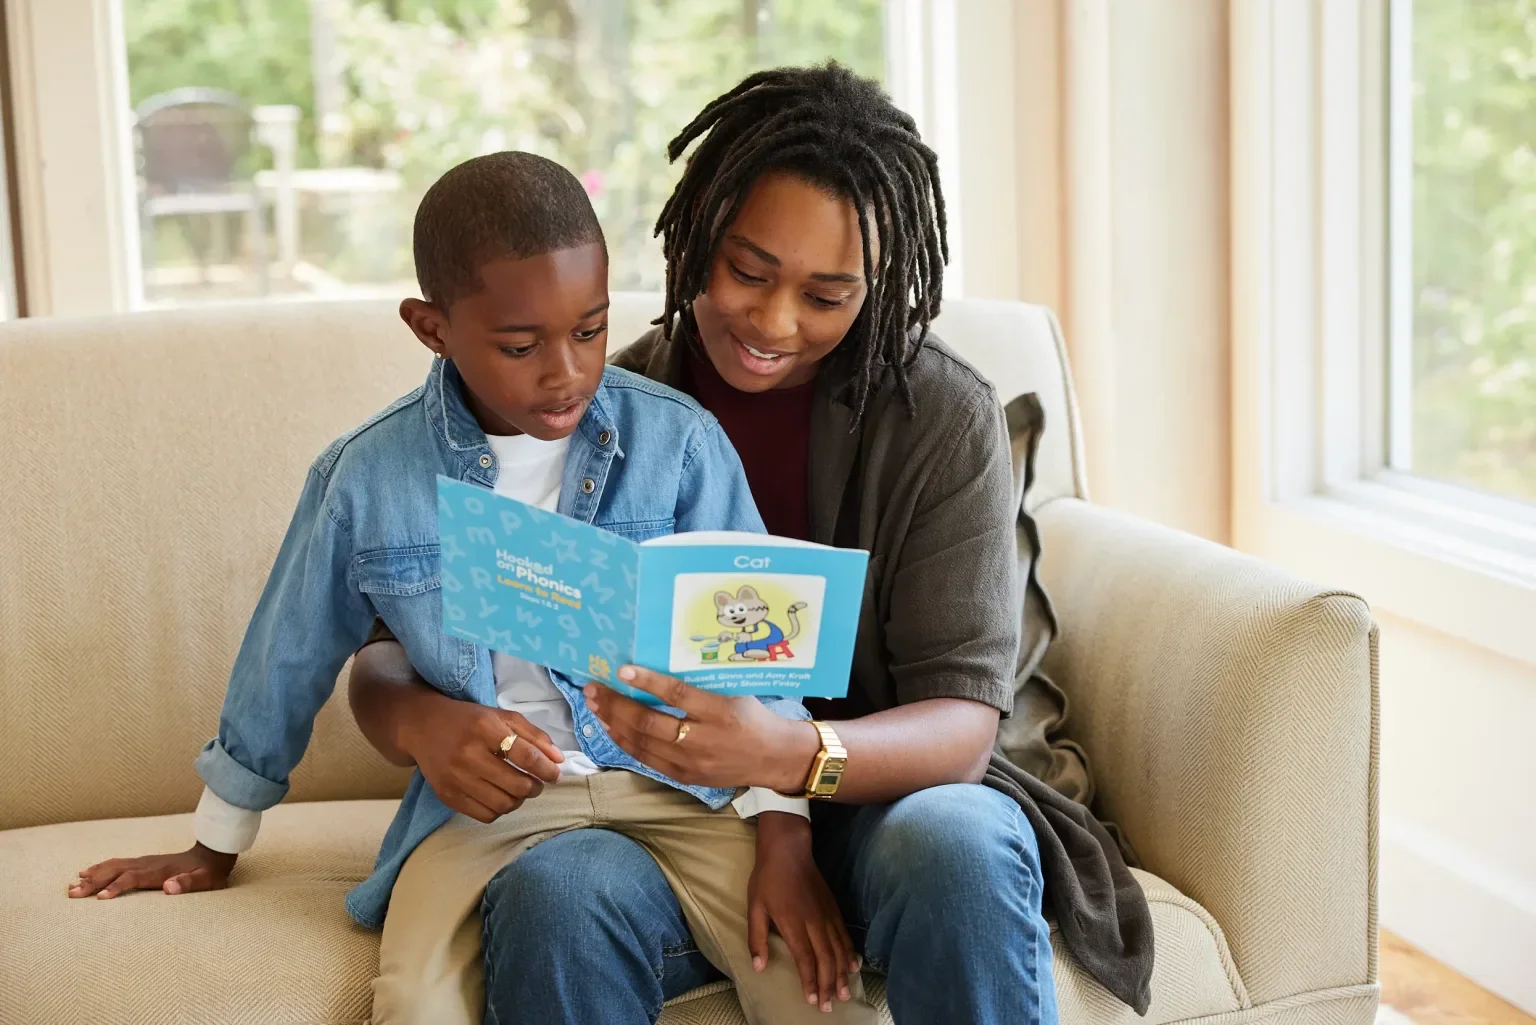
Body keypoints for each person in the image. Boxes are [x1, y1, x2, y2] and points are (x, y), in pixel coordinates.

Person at [66, 152, 860, 1025]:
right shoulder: (366, 477)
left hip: (682, 792)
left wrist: (785, 826)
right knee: (412, 1005)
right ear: (431, 326)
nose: (565, 372)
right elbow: (285, 655)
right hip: (490, 807)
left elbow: (755, 648)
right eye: (521, 346)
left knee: (818, 994)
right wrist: (216, 840)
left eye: (590, 331)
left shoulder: (678, 442)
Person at [351, 65, 1064, 1025]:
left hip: (891, 803)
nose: (774, 324)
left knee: (962, 842)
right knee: (558, 889)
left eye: (826, 295)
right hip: (672, 820)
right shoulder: (596, 405)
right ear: (696, 234)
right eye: (749, 271)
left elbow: (966, 724)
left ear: (878, 286)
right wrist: (417, 718)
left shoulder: (939, 415)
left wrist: (786, 757)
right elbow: (408, 622)